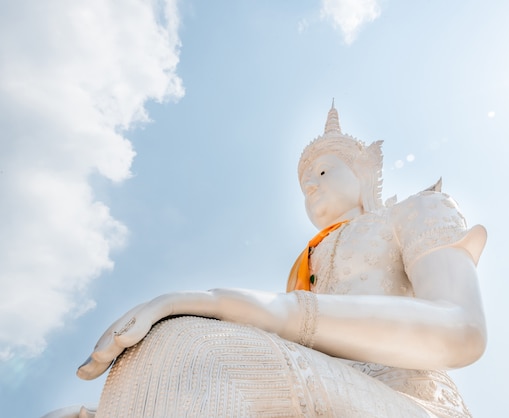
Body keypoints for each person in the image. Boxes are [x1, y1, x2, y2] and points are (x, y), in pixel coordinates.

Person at [76, 104, 487, 417]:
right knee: (151, 358)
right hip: (326, 381)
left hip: (405, 397)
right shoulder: (307, 265)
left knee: (187, 341)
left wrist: (223, 303)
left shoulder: (415, 211)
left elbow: (462, 330)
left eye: (324, 172)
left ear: (362, 173)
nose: (310, 183)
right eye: (304, 180)